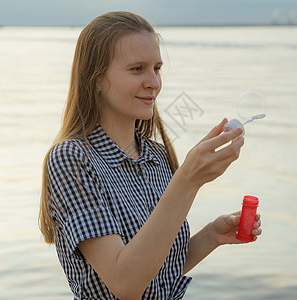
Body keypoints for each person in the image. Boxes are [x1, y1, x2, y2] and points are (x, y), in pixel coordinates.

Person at [39, 11, 262, 300]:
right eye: (137, 69)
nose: (154, 82)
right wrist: (188, 180)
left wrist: (212, 236)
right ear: (95, 78)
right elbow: (126, 283)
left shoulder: (156, 156)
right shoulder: (72, 160)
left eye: (156, 68)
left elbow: (156, 269)